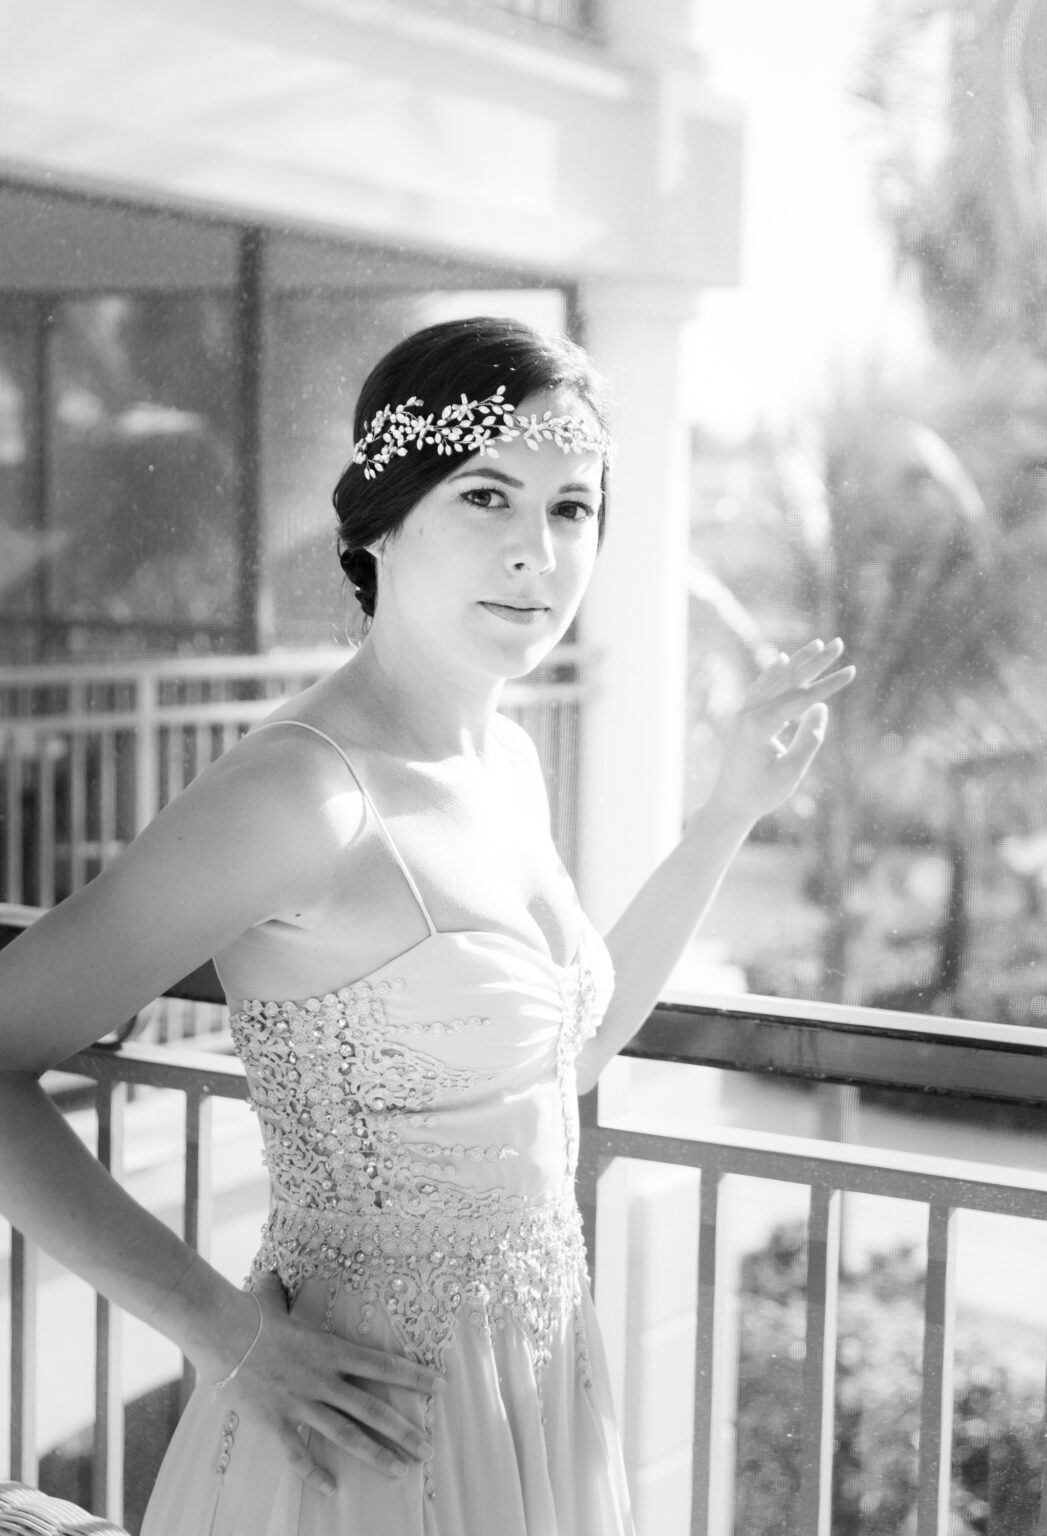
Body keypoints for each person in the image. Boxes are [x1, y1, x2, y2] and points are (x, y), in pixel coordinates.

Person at [0, 316, 854, 1534]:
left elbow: (567, 1062)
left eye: (571, 508)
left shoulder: (507, 759)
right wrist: (226, 1335)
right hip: (361, 1439)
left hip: (536, 1399)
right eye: (486, 496)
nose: (536, 552)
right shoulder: (302, 796)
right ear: (382, 522)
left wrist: (724, 818)